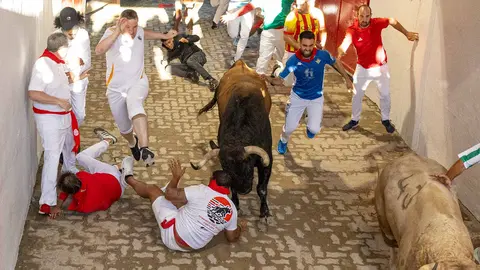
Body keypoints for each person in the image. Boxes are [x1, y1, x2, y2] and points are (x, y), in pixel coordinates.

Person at [95, 9, 177, 167]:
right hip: (115, 89)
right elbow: (99, 50)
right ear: (120, 22)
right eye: (128, 28)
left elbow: (144, 33)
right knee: (124, 128)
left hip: (138, 82)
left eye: (134, 27)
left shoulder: (138, 30)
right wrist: (117, 32)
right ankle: (133, 142)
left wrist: (164, 36)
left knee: (135, 105)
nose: (132, 31)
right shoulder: (110, 33)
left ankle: (145, 147)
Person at [123, 157, 247, 251]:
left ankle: (127, 176)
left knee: (153, 190)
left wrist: (176, 178)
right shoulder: (232, 209)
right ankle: (166, 193)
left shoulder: (200, 190)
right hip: (194, 247)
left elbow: (169, 195)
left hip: (172, 237)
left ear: (211, 180)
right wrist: (240, 227)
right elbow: (232, 238)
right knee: (185, 202)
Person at [28, 32, 89, 215]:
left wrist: (75, 79)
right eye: (67, 48)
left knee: (69, 148)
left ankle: (70, 176)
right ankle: (46, 202)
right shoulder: (42, 65)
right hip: (50, 119)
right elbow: (34, 93)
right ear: (61, 49)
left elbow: (57, 84)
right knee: (52, 157)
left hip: (62, 117)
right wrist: (59, 101)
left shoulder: (55, 63)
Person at [268, 31, 352, 154]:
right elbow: (280, 81)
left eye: (310, 46)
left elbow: (335, 62)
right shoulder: (293, 61)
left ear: (314, 44)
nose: (307, 49)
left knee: (314, 130)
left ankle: (311, 127)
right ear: (299, 43)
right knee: (289, 128)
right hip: (298, 97)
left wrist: (347, 78)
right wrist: (267, 79)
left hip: (316, 98)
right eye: (304, 46)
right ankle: (283, 140)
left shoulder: (322, 55)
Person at [338, 4, 419, 133]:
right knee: (357, 95)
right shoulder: (352, 30)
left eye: (367, 16)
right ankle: (354, 120)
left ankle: (385, 120)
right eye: (362, 16)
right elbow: (344, 44)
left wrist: (406, 33)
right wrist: (341, 51)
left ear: (371, 15)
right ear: (357, 16)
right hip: (362, 68)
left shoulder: (376, 23)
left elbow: (392, 21)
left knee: (385, 95)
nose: (364, 19)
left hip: (381, 68)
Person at [49, 128, 127, 218]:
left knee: (98, 179)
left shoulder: (82, 207)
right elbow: (70, 185)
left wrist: (58, 207)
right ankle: (108, 142)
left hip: (120, 191)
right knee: (81, 157)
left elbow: (67, 192)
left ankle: (118, 168)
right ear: (77, 178)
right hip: (112, 176)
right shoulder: (83, 175)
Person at [221, 0, 295, 78]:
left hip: (282, 33)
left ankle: (277, 68)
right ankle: (259, 79)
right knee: (263, 59)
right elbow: (249, 7)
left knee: (281, 57)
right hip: (267, 33)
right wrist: (233, 16)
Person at [54, 7, 91, 126]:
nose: (70, 31)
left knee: (79, 115)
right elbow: (54, 63)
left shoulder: (83, 35)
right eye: (67, 27)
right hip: (62, 82)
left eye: (72, 26)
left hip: (78, 83)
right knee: (61, 116)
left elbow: (85, 63)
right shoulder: (55, 37)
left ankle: (72, 137)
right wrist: (73, 63)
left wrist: (68, 64)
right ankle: (69, 142)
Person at [282, 0, 326, 86]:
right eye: (297, 3)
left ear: (308, 3)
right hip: (293, 52)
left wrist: (322, 43)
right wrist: (301, 48)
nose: (297, 7)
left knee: (309, 77)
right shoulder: (292, 16)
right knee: (288, 81)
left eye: (301, 4)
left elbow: (322, 30)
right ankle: (277, 71)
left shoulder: (318, 14)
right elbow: (286, 36)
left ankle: (299, 97)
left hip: (312, 52)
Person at [224, 0, 255, 65]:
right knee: (232, 34)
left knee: (245, 35)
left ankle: (236, 59)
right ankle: (236, 37)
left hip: (249, 6)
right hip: (234, 5)